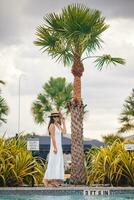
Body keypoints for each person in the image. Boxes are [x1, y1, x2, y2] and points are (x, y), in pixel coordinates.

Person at [43, 109, 67, 187]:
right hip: (54, 146)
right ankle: (51, 180)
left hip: (59, 146)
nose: (56, 118)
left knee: (58, 162)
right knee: (53, 162)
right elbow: (52, 137)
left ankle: (56, 180)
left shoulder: (58, 125)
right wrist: (55, 148)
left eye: (57, 116)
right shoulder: (52, 125)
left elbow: (64, 132)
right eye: (55, 116)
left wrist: (63, 122)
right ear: (52, 117)